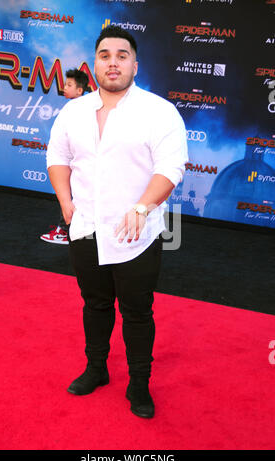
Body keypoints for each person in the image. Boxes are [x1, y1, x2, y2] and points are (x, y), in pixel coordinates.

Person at [46, 26, 188, 418]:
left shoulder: (159, 112)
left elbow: (171, 167)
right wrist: (65, 201)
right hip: (85, 228)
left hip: (136, 233)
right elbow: (57, 156)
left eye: (121, 55)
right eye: (105, 55)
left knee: (138, 311)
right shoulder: (73, 111)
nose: (113, 62)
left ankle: (139, 384)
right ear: (95, 63)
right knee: (94, 304)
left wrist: (142, 207)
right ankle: (96, 369)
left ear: (135, 64)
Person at [40, 69, 90, 245]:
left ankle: (64, 231)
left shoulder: (81, 108)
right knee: (68, 196)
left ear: (80, 90)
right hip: (72, 162)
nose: (64, 88)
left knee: (69, 197)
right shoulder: (79, 107)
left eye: (69, 85)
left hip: (75, 163)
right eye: (64, 84)